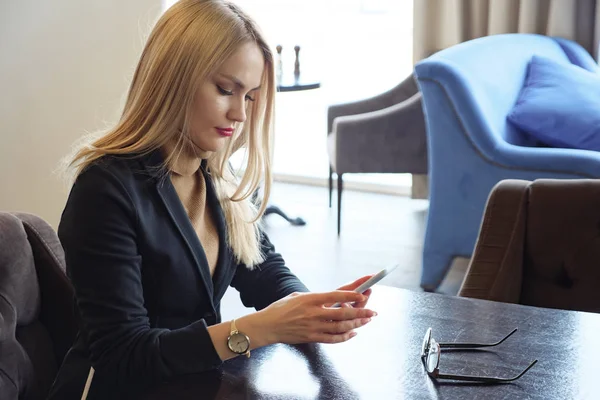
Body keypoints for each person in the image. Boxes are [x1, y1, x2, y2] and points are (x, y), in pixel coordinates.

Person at [47, 1, 376, 398]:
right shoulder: (105, 189)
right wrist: (262, 327)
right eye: (225, 90)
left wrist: (310, 311)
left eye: (250, 96)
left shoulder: (216, 174)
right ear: (173, 79)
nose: (239, 113)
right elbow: (123, 356)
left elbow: (263, 269)